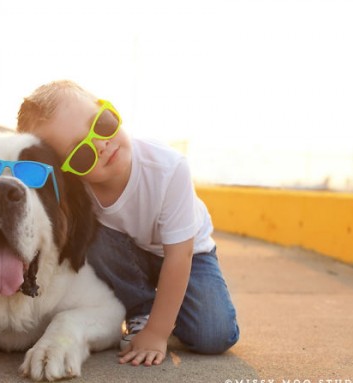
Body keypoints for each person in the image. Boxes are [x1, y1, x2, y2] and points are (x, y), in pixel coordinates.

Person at [16, 80, 239, 367]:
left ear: (108, 109)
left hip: (188, 254)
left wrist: (158, 333)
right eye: (81, 153)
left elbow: (178, 255)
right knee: (86, 236)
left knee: (214, 337)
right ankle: (141, 308)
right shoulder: (75, 190)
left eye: (102, 124)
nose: (101, 145)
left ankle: (165, 311)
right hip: (127, 255)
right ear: (66, 171)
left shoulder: (169, 168)